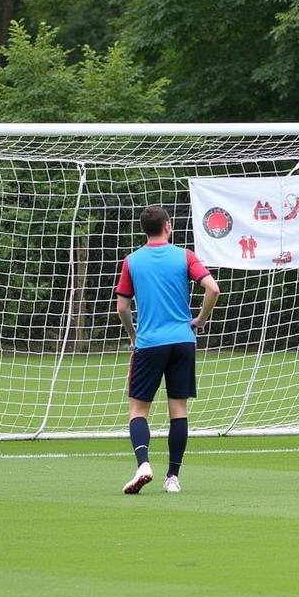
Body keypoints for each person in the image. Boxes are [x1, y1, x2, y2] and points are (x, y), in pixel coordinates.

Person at [116, 205, 220, 494]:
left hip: (149, 344)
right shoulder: (184, 256)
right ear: (168, 226)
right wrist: (199, 320)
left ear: (144, 230)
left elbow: (122, 307)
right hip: (183, 342)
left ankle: (143, 463)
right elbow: (213, 288)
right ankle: (172, 477)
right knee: (179, 409)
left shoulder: (132, 261)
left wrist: (134, 335)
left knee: (138, 410)